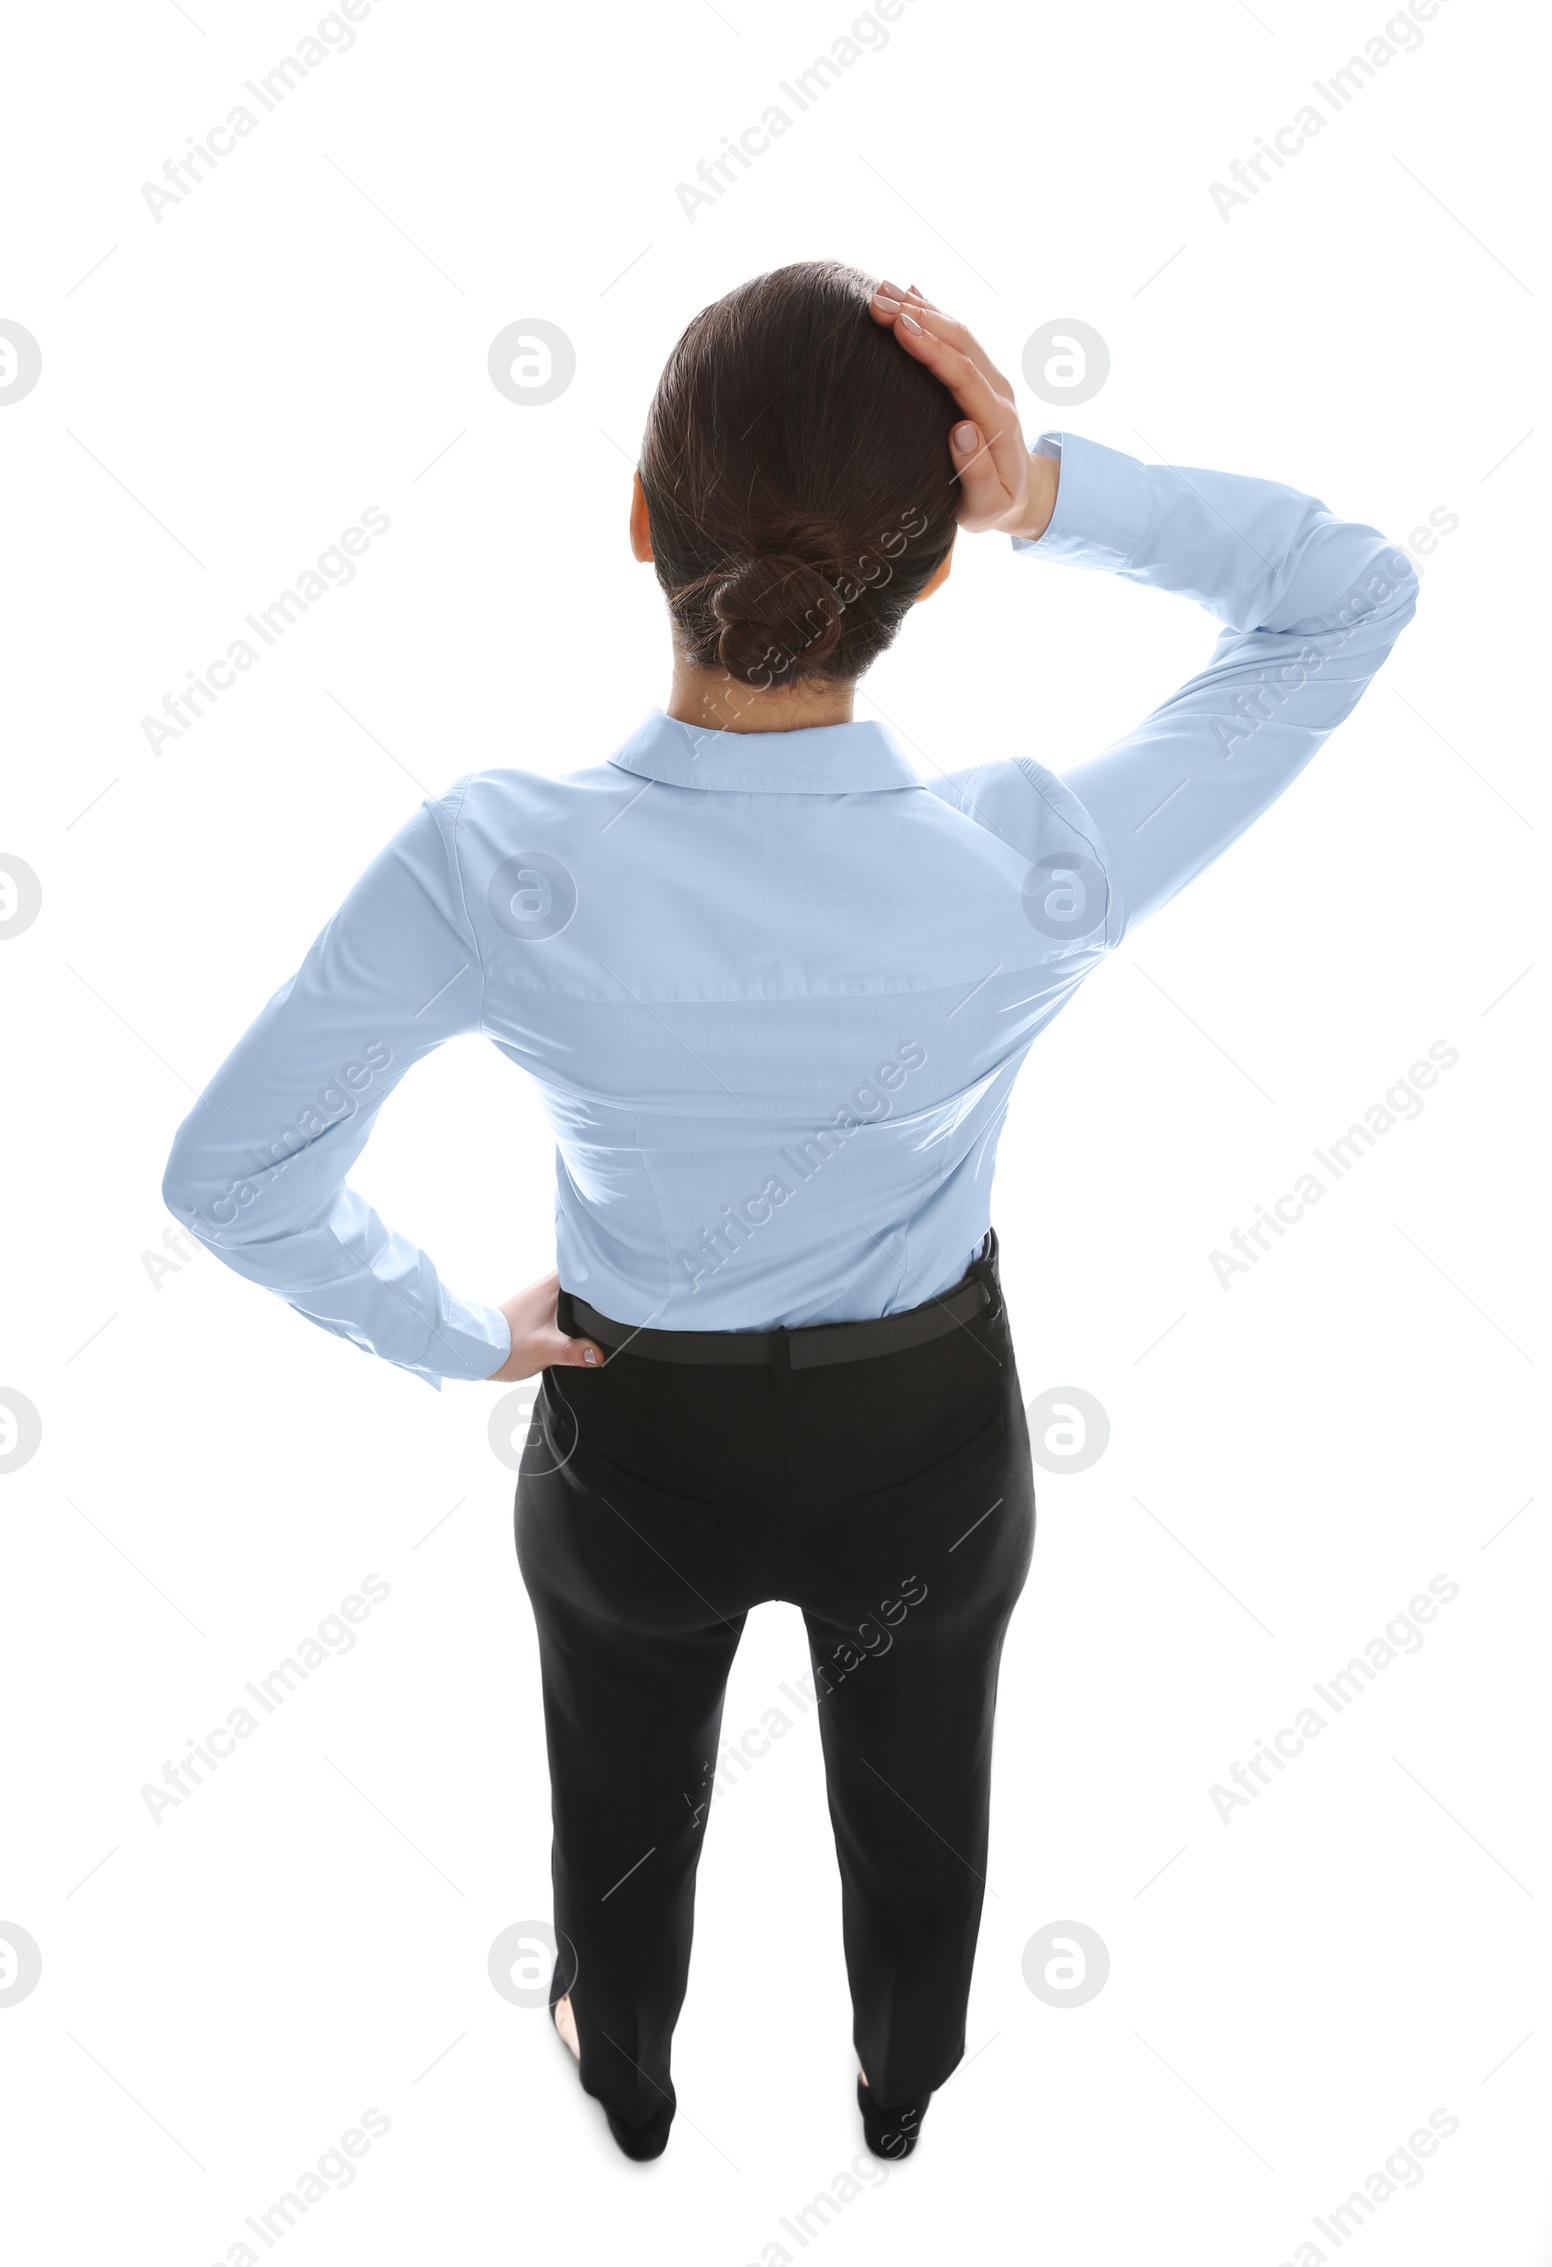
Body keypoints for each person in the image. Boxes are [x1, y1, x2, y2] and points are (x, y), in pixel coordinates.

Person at [162, 260, 1418, 2165]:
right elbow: (1348, 599)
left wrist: (448, 1331)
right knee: (923, 1805)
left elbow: (230, 1170)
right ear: (927, 574)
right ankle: (901, 2079)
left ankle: (627, 2074)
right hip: (921, 1438)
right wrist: (1051, 489)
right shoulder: (1022, 865)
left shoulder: (498, 859)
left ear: (642, 522)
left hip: (628, 1434)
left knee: (619, 1802)